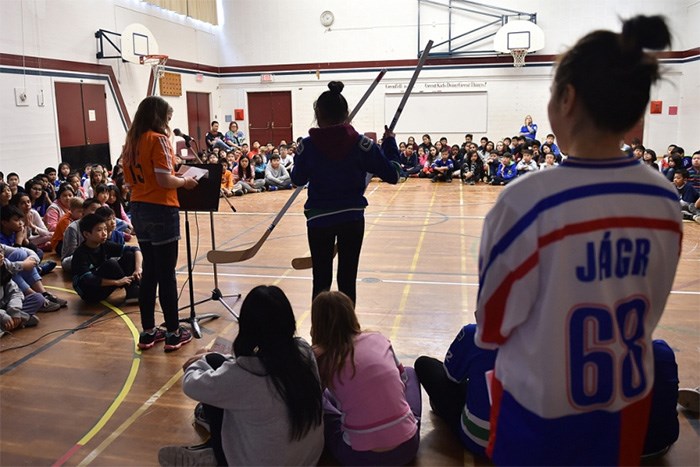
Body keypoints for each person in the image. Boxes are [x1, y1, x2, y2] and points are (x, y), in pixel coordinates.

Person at [474, 16, 679, 465]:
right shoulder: (665, 196)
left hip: (539, 410)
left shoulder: (526, 201)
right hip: (627, 401)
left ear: (566, 98)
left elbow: (491, 325)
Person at [415, 325, 679, 460]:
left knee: (428, 367)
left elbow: (450, 376)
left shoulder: (476, 332)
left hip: (481, 438)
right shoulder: (567, 337)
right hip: (536, 439)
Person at [158, 285, 324, 466]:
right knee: (218, 365)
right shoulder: (304, 351)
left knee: (213, 373)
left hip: (258, 462)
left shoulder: (243, 374)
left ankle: (214, 456)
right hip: (309, 458)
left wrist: (199, 360)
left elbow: (190, 383)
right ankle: (212, 443)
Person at [291, 81, 400, 304]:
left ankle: (319, 332)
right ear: (346, 113)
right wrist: (390, 144)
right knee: (347, 279)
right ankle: (347, 333)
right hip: (351, 217)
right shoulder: (362, 145)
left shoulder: (308, 146)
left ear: (317, 113)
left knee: (320, 279)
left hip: (319, 219)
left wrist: (299, 158)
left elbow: (297, 179)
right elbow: (393, 175)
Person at [122, 95, 198, 352]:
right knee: (166, 274)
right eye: (167, 117)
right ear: (159, 117)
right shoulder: (159, 139)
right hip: (161, 208)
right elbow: (165, 181)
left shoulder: (131, 142)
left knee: (151, 272)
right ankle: (174, 333)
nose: (168, 122)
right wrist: (185, 182)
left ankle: (147, 332)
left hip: (139, 208)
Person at [311, 291, 421, 465]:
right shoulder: (377, 338)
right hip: (408, 447)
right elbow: (403, 378)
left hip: (359, 458)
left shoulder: (321, 359)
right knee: (409, 372)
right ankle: (403, 423)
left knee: (322, 400)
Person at [71, 213, 141, 304]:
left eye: (105, 229)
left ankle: (133, 291)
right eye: (99, 230)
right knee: (111, 264)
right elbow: (88, 279)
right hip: (90, 293)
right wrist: (117, 282)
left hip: (103, 284)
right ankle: (133, 290)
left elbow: (135, 249)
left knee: (129, 255)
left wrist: (138, 268)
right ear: (87, 234)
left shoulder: (104, 244)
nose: (104, 233)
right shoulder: (80, 253)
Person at [0, 248, 42, 336]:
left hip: (6, 306)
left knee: (37, 298)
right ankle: (18, 321)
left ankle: (11, 323)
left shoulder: (4, 269)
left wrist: (14, 311)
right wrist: (3, 316)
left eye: (0, 252)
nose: (1, 256)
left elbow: (15, 292)